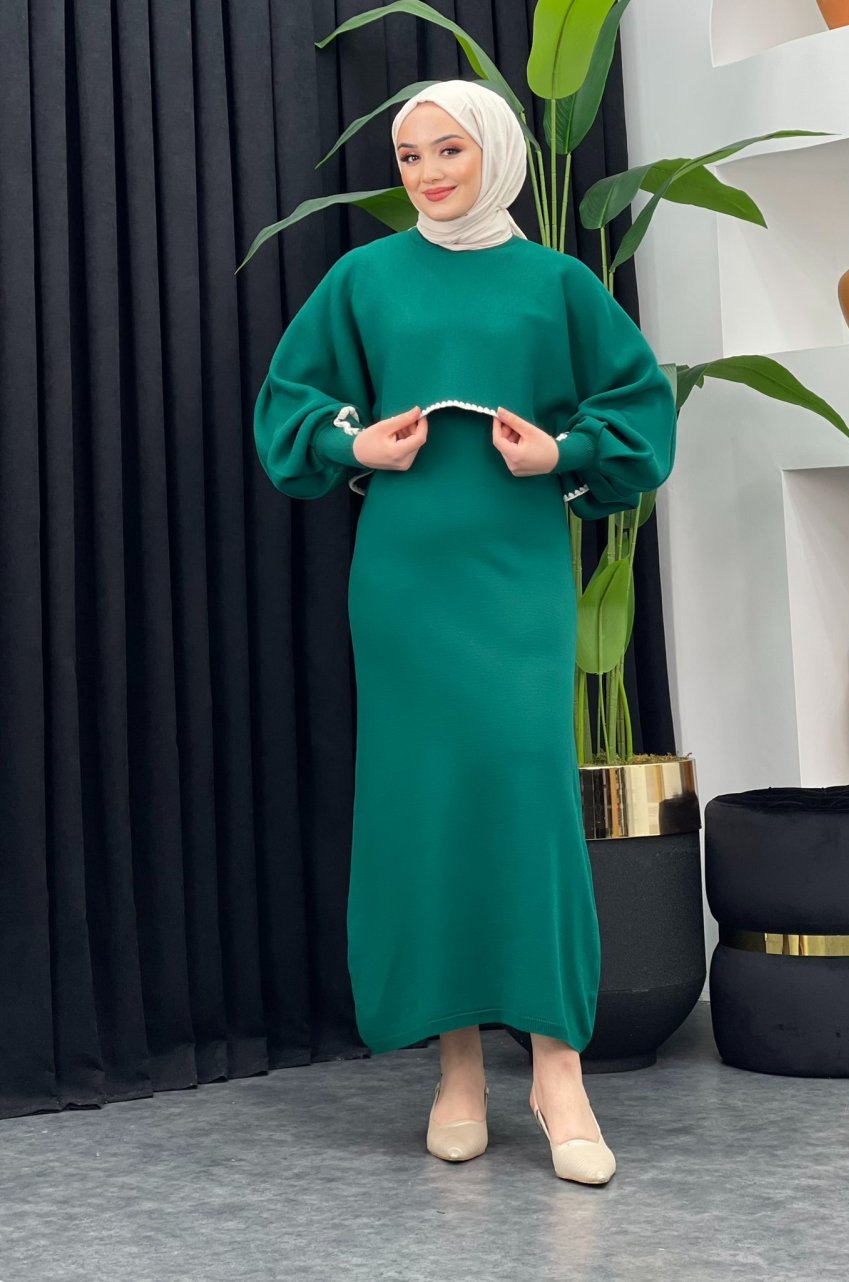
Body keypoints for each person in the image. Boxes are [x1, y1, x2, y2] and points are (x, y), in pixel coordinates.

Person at [253, 78, 676, 1186]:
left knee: (529, 805)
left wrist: (561, 454)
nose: (429, 174)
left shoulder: (557, 282)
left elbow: (636, 410)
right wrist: (355, 446)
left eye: (449, 150)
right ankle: (454, 1071)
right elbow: (289, 405)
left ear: (494, 151)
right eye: (410, 157)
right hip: (403, 586)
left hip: (518, 578)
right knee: (424, 807)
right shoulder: (365, 278)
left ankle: (557, 1071)